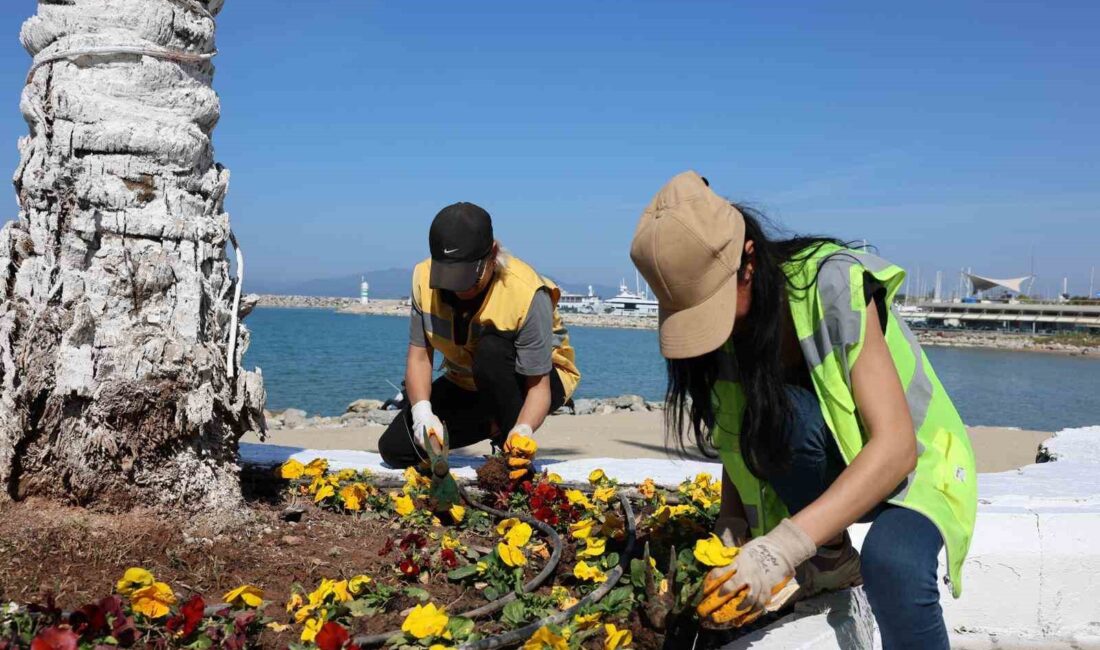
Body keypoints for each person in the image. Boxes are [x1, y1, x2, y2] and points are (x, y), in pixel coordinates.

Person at [629, 172, 976, 649]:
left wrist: (782, 547)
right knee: (782, 412)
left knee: (894, 564)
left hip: (913, 460)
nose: (717, 325)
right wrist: (732, 524)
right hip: (832, 467)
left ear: (748, 260)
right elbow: (737, 432)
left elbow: (896, 448)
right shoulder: (733, 330)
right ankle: (831, 560)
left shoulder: (832, 284)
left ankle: (828, 553)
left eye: (713, 304)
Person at [378, 202, 581, 468]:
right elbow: (419, 358)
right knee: (395, 449)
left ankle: (508, 442)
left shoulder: (527, 292)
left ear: (493, 253)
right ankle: (492, 424)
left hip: (535, 380)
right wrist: (422, 413)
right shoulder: (422, 278)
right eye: (450, 278)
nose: (461, 290)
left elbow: (538, 387)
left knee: (491, 352)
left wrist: (523, 430)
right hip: (467, 381)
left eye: (469, 278)